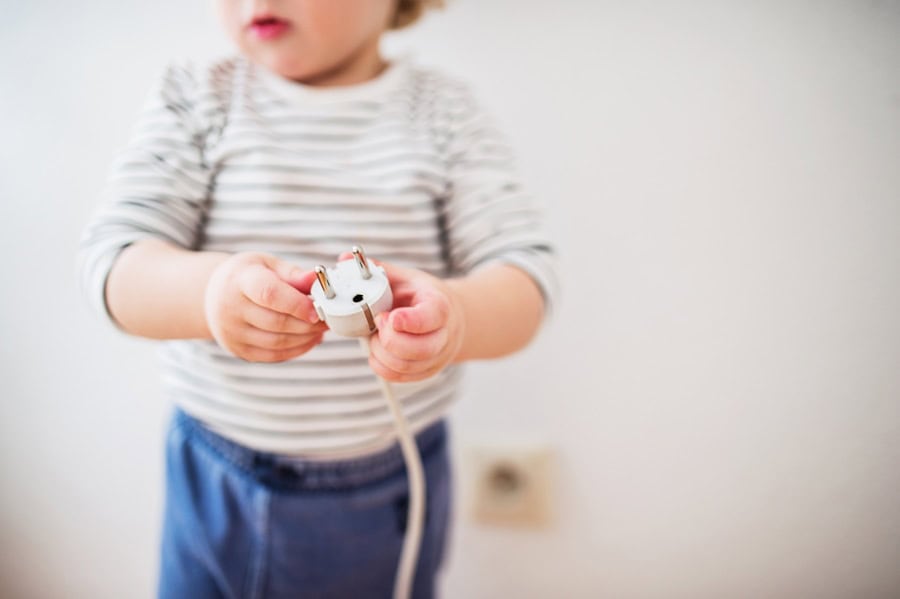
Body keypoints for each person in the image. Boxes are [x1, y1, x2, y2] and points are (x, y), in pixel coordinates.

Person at [78, 0, 558, 597]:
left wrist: (456, 318)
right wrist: (210, 296)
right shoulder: (198, 97)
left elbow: (525, 280)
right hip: (211, 472)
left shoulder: (444, 113)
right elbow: (116, 267)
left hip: (386, 485)